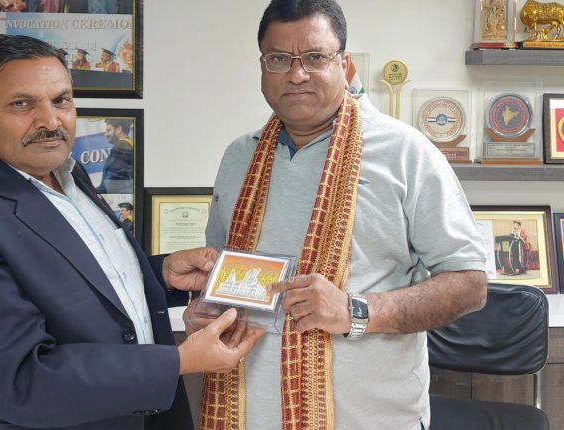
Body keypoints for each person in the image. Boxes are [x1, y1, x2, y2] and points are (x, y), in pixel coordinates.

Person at [0, 34, 264, 430]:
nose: (50, 122)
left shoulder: (66, 171)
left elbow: (76, 278)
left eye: (61, 100)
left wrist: (161, 275)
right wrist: (180, 360)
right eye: (22, 104)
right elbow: (20, 375)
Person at [184, 1, 488, 429]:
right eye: (279, 59)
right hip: (242, 415)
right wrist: (205, 310)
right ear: (262, 67)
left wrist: (355, 310)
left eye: (315, 57)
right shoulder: (238, 157)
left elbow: (470, 285)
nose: (297, 74)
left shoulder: (406, 153)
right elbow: (221, 273)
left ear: (344, 66)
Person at [96, 118, 133, 194]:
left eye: (108, 130)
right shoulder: (129, 144)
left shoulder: (121, 146)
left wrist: (94, 193)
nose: (106, 134)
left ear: (119, 129)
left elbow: (112, 179)